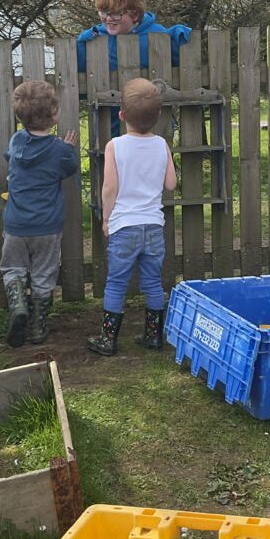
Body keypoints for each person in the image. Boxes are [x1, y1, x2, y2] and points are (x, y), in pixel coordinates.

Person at [87, 78, 177, 356]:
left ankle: (108, 340)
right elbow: (171, 184)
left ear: (121, 115)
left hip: (124, 226)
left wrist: (106, 219)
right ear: (158, 115)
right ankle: (153, 336)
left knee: (116, 283)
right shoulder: (161, 144)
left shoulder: (115, 145)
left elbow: (110, 188)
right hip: (153, 226)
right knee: (153, 283)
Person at [0, 80, 79, 348]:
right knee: (44, 273)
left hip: (16, 224)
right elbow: (69, 168)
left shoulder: (16, 141)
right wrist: (68, 148)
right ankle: (37, 327)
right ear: (54, 113)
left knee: (13, 268)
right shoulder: (60, 150)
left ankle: (18, 305)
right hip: (47, 226)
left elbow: (9, 157)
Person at [76, 0, 191, 134]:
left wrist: (178, 35)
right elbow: (78, 79)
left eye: (116, 14)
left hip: (153, 127)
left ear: (135, 14)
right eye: (103, 12)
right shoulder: (93, 38)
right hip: (109, 126)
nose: (108, 18)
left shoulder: (157, 36)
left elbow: (182, 72)